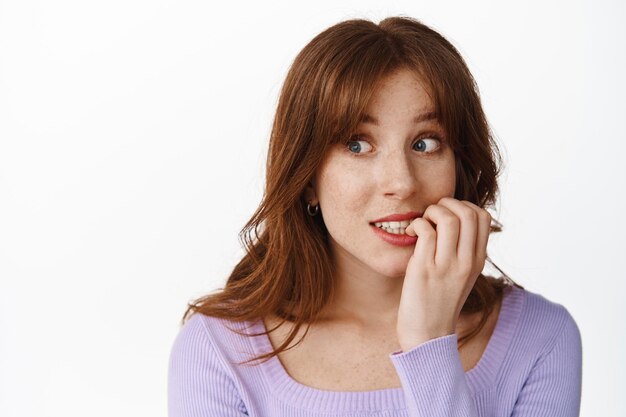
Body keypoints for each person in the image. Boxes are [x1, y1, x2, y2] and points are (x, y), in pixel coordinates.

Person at [168, 16, 582, 417]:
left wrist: (429, 344)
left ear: (460, 163)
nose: (401, 183)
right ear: (307, 178)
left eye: (424, 144)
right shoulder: (219, 352)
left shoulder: (540, 338)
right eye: (357, 145)